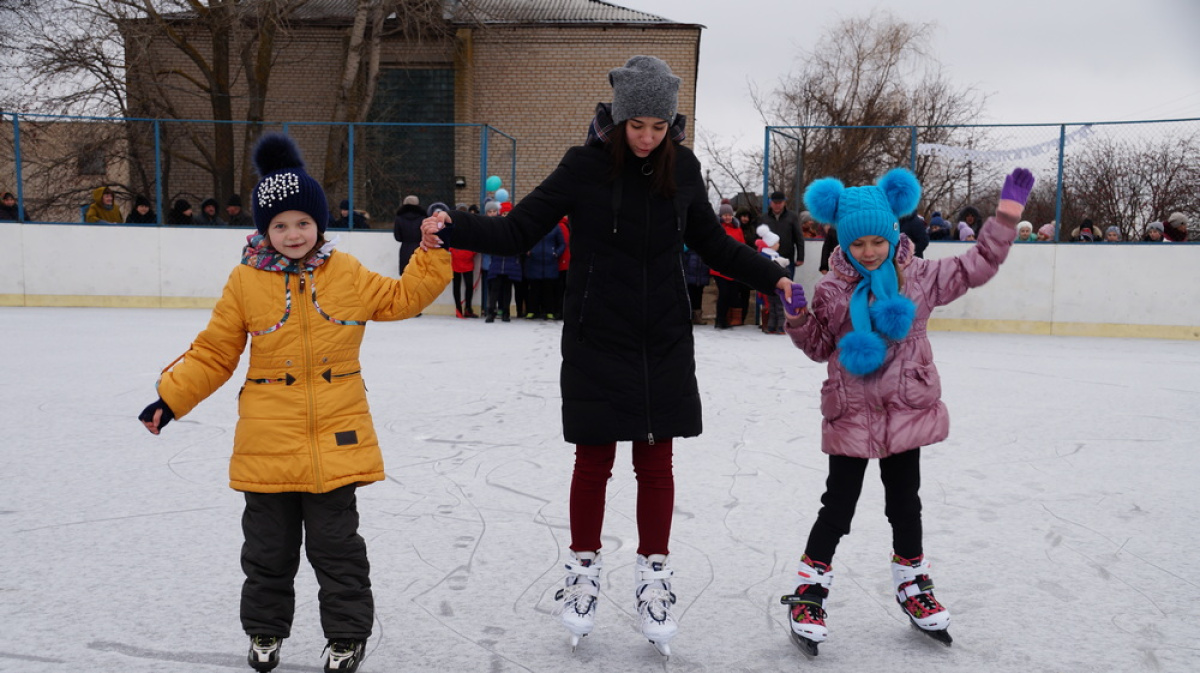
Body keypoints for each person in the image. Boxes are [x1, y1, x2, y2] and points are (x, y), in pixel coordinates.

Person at [421, 55, 792, 655]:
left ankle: (654, 575)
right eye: (636, 125)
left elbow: (713, 244)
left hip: (663, 337)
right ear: (617, 119)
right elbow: (518, 231)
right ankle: (583, 571)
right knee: (593, 462)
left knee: (656, 464)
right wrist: (453, 226)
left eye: (658, 126)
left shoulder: (685, 169)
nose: (647, 137)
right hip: (597, 334)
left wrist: (771, 276)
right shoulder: (583, 165)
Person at [137, 134, 451, 673]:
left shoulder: (347, 273)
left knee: (338, 551)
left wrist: (427, 256)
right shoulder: (245, 281)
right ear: (264, 230)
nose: (292, 234)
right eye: (279, 225)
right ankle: (264, 632)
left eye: (302, 222)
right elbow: (215, 352)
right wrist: (171, 397)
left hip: (336, 438)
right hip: (267, 442)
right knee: (267, 552)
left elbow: (400, 300)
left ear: (319, 225)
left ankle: (347, 636)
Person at [775, 166, 1034, 656]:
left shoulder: (922, 278)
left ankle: (913, 586)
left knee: (905, 503)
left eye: (877, 240)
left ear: (893, 234)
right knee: (838, 505)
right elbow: (817, 346)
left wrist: (1005, 216)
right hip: (851, 411)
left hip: (904, 411)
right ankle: (809, 591)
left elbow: (977, 263)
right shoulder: (831, 289)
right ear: (843, 243)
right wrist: (796, 318)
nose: (869, 251)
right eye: (858, 245)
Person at [712, 203, 750, 329]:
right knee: (723, 293)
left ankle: (730, 319)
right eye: (725, 215)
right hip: (720, 267)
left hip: (733, 266)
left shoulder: (737, 228)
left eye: (729, 214)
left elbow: (741, 245)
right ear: (721, 215)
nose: (727, 217)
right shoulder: (717, 227)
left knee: (731, 294)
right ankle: (720, 319)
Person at [483, 202, 523, 323]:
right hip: (497, 262)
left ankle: (506, 312)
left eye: (508, 213)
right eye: (504, 213)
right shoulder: (497, 226)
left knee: (507, 290)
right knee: (494, 290)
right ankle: (491, 312)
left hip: (510, 263)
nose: (506, 215)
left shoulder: (515, 227)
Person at [524, 219, 565, 319]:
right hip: (534, 262)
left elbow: (562, 244)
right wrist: (527, 250)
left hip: (549, 263)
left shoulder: (555, 227)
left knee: (549, 290)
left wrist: (556, 253)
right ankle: (532, 311)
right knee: (534, 289)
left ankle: (549, 311)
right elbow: (524, 240)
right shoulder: (531, 226)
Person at [754, 224, 789, 334]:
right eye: (777, 243)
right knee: (777, 307)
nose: (779, 245)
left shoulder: (767, 255)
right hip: (774, 286)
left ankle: (770, 326)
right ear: (771, 244)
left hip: (766, 286)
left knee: (771, 306)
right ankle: (779, 326)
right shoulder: (771, 257)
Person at [761, 189, 805, 274]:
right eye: (775, 203)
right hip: (768, 259)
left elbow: (799, 238)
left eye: (780, 203)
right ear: (771, 203)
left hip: (787, 259)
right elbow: (758, 238)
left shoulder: (792, 217)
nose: (777, 205)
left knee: (787, 283)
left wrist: (800, 257)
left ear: (784, 203)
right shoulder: (764, 218)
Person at [393, 195, 424, 275]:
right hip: (420, 248)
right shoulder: (423, 218)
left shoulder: (399, 218)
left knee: (405, 274)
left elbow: (397, 237)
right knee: (419, 274)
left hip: (405, 248)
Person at [682, 242, 710, 325]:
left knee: (698, 296)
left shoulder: (706, 247)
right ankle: (688, 316)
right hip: (690, 274)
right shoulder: (688, 246)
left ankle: (697, 317)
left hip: (701, 275)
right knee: (689, 296)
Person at [449, 239, 479, 318]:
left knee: (467, 286)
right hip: (459, 264)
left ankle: (467, 309)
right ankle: (460, 309)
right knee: (459, 287)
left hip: (466, 264)